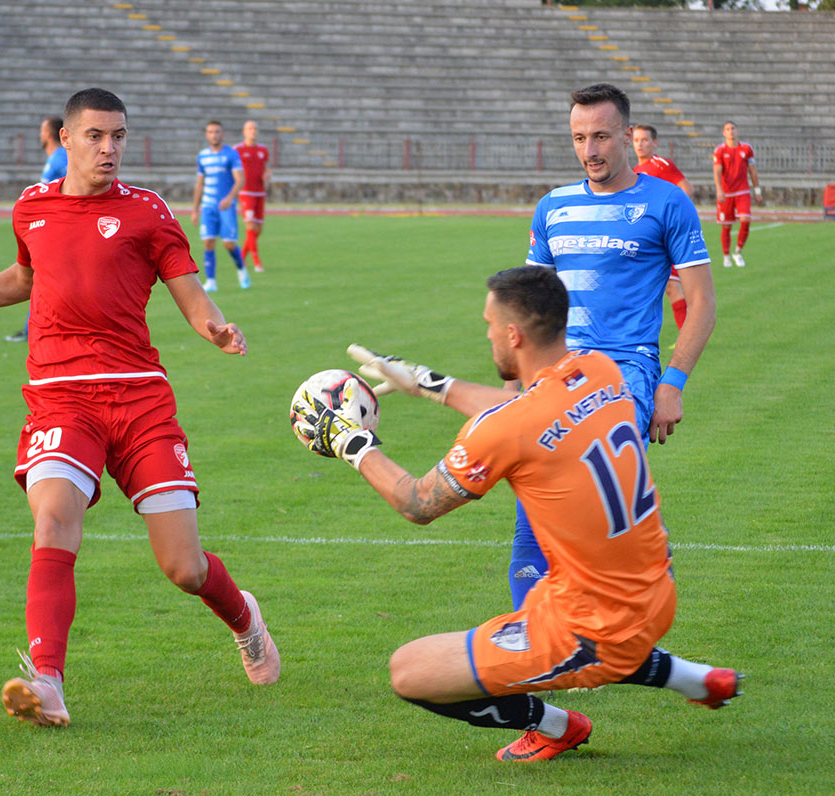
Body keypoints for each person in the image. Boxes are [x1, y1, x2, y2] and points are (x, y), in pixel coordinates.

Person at [0, 88, 280, 728]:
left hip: (138, 396)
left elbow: (191, 298)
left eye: (119, 136)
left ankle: (245, 617)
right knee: (52, 520)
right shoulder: (32, 208)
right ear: (66, 140)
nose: (109, 148)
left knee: (183, 568)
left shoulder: (149, 213)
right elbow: (23, 280)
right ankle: (47, 681)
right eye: (97, 136)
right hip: (59, 396)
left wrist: (216, 329)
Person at [294, 266, 741, 763]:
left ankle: (557, 727)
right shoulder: (600, 370)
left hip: (592, 625)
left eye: (489, 325)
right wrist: (426, 383)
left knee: (410, 672)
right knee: (565, 618)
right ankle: (693, 678)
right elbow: (526, 412)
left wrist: (350, 443)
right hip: (653, 585)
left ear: (513, 334)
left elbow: (417, 502)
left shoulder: (508, 428)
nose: (486, 334)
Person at [507, 84, 717, 610]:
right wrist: (513, 386)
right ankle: (538, 650)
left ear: (628, 136)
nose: (590, 150)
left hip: (627, 372)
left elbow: (702, 303)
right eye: (579, 138)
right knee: (533, 518)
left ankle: (639, 565)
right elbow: (530, 307)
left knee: (584, 497)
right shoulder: (552, 207)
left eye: (601, 136)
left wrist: (673, 384)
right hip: (552, 376)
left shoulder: (666, 203)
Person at [6, 116, 69, 343]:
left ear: (51, 133)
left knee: (42, 277)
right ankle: (31, 327)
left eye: (42, 130)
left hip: (58, 229)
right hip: (48, 228)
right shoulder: (55, 157)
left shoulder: (61, 157)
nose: (40, 134)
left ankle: (34, 328)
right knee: (40, 276)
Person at [632, 123, 695, 331]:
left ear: (654, 142)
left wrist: (670, 220)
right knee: (655, 287)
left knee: (672, 286)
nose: (640, 145)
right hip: (649, 239)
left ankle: (687, 335)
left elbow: (686, 188)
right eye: (636, 140)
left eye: (644, 140)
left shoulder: (660, 164)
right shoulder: (635, 171)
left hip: (665, 236)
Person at [192, 121, 249, 291]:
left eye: (217, 132)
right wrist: (195, 210)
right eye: (210, 132)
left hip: (225, 207)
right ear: (206, 135)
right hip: (208, 206)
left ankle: (241, 268)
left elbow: (240, 180)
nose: (214, 135)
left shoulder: (231, 155)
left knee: (229, 244)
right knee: (208, 242)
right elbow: (199, 184)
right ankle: (211, 281)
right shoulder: (203, 156)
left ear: (222, 134)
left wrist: (229, 198)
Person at [713, 121, 762, 268]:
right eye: (727, 129)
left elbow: (752, 170)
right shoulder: (720, 151)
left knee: (746, 220)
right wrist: (719, 189)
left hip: (742, 191)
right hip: (726, 193)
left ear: (737, 130)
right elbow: (717, 171)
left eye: (733, 128)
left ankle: (738, 252)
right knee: (726, 227)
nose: (731, 131)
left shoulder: (746, 149)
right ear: (724, 133)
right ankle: (726, 256)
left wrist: (757, 190)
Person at [235, 120, 272, 272]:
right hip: (246, 192)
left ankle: (241, 257)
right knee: (250, 226)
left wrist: (267, 175)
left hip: (260, 192)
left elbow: (266, 168)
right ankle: (257, 262)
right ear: (244, 131)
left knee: (258, 228)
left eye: (255, 128)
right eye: (250, 128)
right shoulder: (237, 150)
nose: (253, 131)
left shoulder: (263, 150)